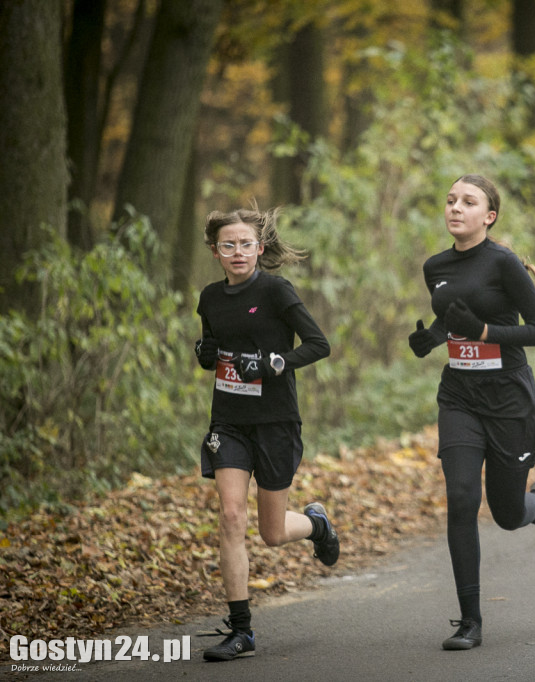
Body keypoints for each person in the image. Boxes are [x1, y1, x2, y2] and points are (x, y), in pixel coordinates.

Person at [408, 174, 535, 651]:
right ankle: (469, 621)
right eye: (451, 199)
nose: (456, 207)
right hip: (458, 397)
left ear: (489, 216)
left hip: (508, 401)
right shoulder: (434, 266)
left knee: (506, 513)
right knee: (460, 499)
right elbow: (449, 315)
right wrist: (432, 338)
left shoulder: (503, 264)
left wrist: (481, 332)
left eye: (468, 201)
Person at [193, 206, 336, 662]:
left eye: (246, 244)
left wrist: (274, 363)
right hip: (229, 421)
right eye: (228, 245)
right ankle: (241, 631)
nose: (238, 252)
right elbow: (210, 352)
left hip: (275, 421)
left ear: (259, 248)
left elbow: (318, 344)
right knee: (232, 517)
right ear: (215, 251)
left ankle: (316, 524)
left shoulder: (276, 291)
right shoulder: (210, 297)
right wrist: (204, 351)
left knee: (272, 533)